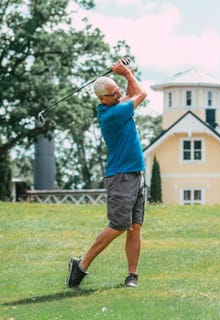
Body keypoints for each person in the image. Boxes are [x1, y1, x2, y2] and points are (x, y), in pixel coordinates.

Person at [67, 58, 147, 288]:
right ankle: (81, 265)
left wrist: (124, 75)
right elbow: (141, 94)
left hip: (135, 174)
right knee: (119, 225)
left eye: (118, 90)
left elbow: (131, 93)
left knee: (135, 226)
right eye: (114, 93)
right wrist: (128, 73)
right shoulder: (112, 114)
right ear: (103, 98)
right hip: (121, 176)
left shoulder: (117, 106)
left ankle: (132, 275)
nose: (119, 93)